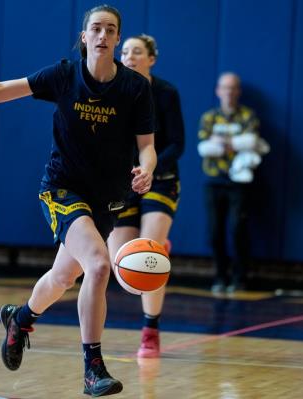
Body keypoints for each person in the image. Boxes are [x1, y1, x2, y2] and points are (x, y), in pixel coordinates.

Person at [0, 4, 156, 397]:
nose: (103, 35)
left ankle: (19, 319)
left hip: (106, 198)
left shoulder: (136, 87)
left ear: (118, 38)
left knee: (62, 277)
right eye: (96, 29)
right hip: (61, 189)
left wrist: (147, 168)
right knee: (99, 265)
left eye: (110, 29)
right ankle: (92, 368)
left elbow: (147, 146)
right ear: (84, 37)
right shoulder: (63, 75)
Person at [107, 34, 184, 359]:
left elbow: (176, 144)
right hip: (122, 184)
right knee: (122, 267)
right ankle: (159, 245)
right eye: (125, 51)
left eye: (137, 52)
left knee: (149, 259)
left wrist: (148, 167)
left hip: (160, 180)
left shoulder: (165, 93)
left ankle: (150, 330)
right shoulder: (111, 90)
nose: (129, 56)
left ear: (151, 58)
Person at [197, 72, 266, 294]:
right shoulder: (209, 117)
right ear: (218, 91)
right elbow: (204, 148)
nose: (229, 92)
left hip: (239, 181)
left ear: (238, 91)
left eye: (233, 87)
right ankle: (220, 276)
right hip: (214, 181)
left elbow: (252, 142)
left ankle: (240, 277)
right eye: (225, 87)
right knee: (214, 232)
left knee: (238, 230)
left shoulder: (248, 115)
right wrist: (236, 143)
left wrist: (222, 142)